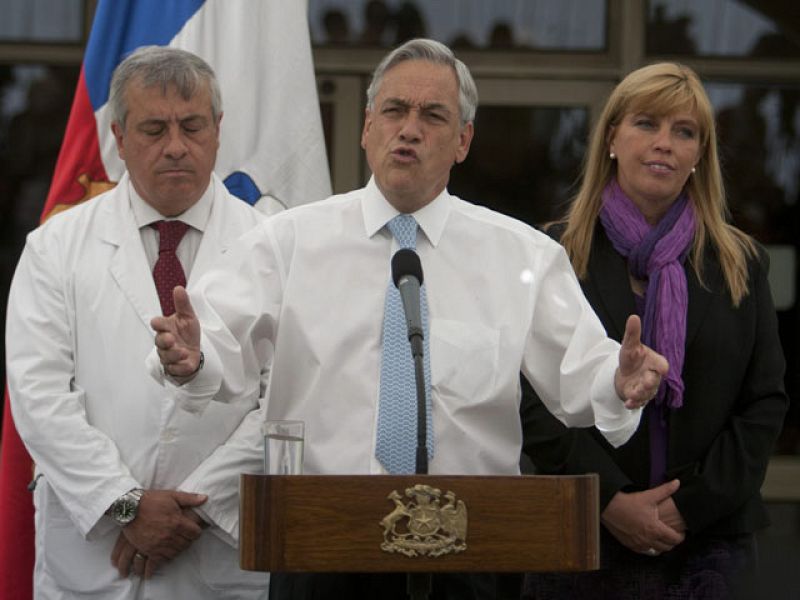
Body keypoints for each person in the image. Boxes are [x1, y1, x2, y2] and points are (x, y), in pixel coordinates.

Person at [149, 39, 667, 600]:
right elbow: (214, 349)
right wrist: (191, 357)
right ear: (367, 126)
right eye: (395, 110)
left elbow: (583, 377)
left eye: (433, 116)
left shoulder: (522, 256)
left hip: (468, 556)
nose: (410, 129)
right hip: (321, 547)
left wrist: (618, 381)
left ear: (463, 140)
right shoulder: (288, 241)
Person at [5, 46, 269, 598]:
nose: (176, 146)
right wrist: (123, 505)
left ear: (218, 130)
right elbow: (39, 397)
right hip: (93, 561)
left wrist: (194, 510)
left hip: (217, 553)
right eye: (154, 129)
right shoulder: (55, 246)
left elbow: (285, 402)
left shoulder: (273, 245)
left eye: (192, 126)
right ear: (119, 138)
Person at [520, 63, 789, 599]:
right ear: (612, 139)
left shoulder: (741, 262)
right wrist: (610, 500)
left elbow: (764, 403)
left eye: (684, 132)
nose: (664, 143)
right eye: (646, 124)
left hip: (710, 540)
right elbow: (529, 397)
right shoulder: (551, 254)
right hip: (581, 532)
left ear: (699, 155)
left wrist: (687, 506)